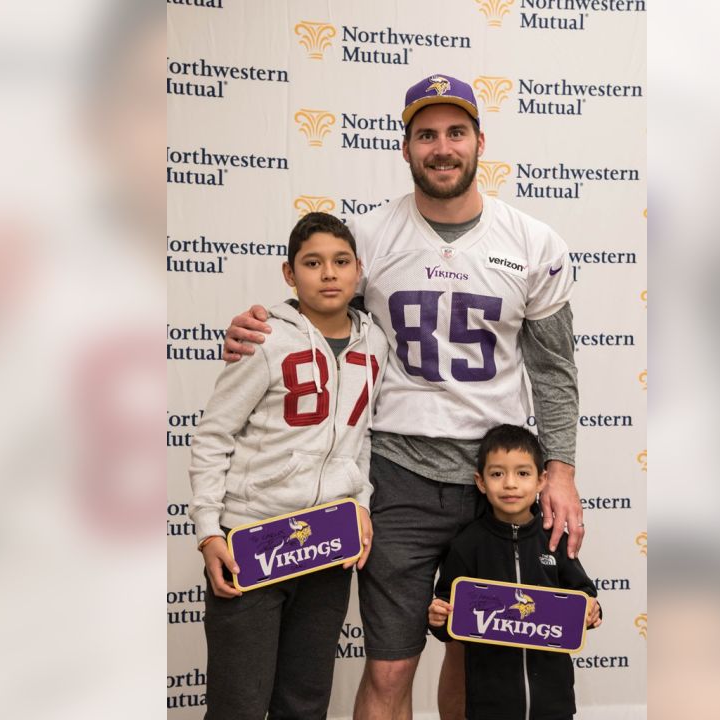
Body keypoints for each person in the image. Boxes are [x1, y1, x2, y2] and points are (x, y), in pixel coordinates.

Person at [224, 73, 586, 720]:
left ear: (480, 140)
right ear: (405, 146)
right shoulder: (369, 238)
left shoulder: (534, 244)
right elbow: (321, 311)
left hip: (494, 481)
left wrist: (560, 468)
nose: (441, 148)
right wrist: (266, 327)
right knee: (390, 667)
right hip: (397, 477)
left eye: (455, 132)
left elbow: (554, 369)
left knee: (481, 660)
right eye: (426, 135)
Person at [189, 212, 388, 719]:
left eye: (341, 262)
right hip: (252, 542)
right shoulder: (264, 340)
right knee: (239, 702)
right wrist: (210, 532)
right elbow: (215, 435)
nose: (328, 274)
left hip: (327, 544)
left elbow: (359, 439)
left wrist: (360, 504)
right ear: (288, 273)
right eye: (313, 262)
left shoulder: (376, 344)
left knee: (304, 701)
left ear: (358, 270)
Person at [427, 424, 602, 720]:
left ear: (541, 481)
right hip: (489, 705)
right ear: (480, 482)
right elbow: (448, 613)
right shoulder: (466, 545)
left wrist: (591, 609)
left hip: (553, 702)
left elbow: (583, 593)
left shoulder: (554, 539)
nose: (510, 484)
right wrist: (438, 618)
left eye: (522, 473)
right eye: (497, 474)